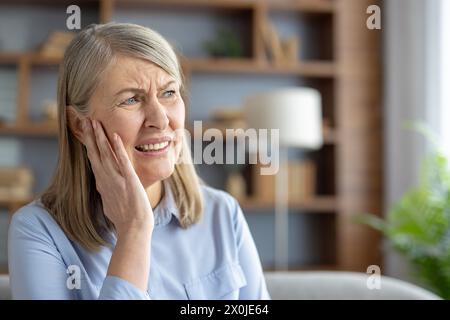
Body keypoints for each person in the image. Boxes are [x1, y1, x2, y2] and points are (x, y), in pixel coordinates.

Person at [8, 23, 270, 300]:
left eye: (169, 93)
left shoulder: (223, 213)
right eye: (131, 99)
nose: (161, 120)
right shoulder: (39, 231)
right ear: (78, 125)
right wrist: (134, 230)